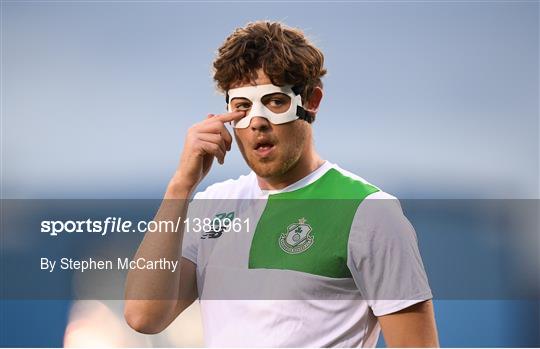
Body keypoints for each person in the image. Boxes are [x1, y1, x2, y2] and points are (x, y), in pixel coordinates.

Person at [124, 20, 439, 347]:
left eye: (275, 101)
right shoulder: (215, 203)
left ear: (311, 101)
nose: (258, 122)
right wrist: (179, 188)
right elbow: (144, 316)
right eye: (242, 106)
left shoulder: (370, 212)